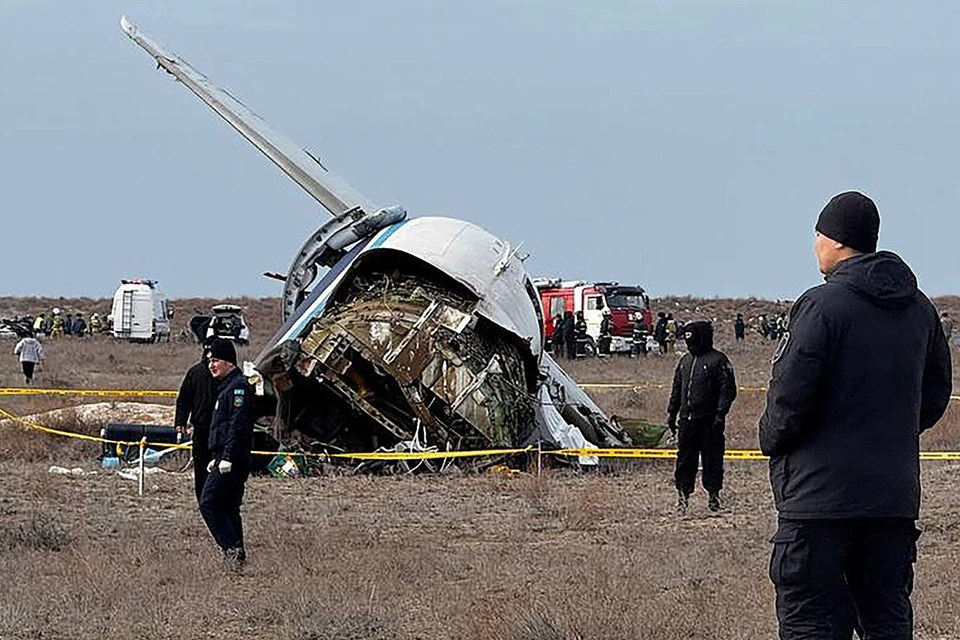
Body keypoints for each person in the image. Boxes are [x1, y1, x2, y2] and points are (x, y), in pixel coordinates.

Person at [759, 191, 952, 638]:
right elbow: (936, 393)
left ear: (839, 242)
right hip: (890, 504)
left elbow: (788, 398)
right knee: (886, 620)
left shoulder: (822, 306)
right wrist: (889, 429)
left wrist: (771, 438)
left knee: (812, 623)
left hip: (817, 505)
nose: (814, 246)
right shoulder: (919, 309)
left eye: (818, 236)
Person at [666, 320, 736, 514]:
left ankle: (713, 496)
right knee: (684, 460)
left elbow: (728, 390)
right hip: (687, 421)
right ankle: (682, 497)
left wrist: (720, 414)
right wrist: (672, 413)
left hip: (710, 422)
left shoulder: (719, 360)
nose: (689, 342)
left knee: (712, 459)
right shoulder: (685, 362)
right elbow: (677, 389)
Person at [199, 338, 255, 571]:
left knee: (208, 503)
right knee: (229, 506)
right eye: (210, 361)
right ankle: (237, 556)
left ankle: (231, 548)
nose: (212, 365)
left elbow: (237, 425)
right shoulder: (226, 388)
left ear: (229, 362)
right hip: (223, 455)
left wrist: (228, 456)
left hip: (232, 457)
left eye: (217, 360)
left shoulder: (238, 387)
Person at [175, 342, 220, 506]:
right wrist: (180, 420)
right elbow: (184, 398)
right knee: (201, 466)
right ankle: (203, 499)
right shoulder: (195, 372)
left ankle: (215, 498)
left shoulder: (225, 375)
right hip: (201, 428)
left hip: (220, 429)